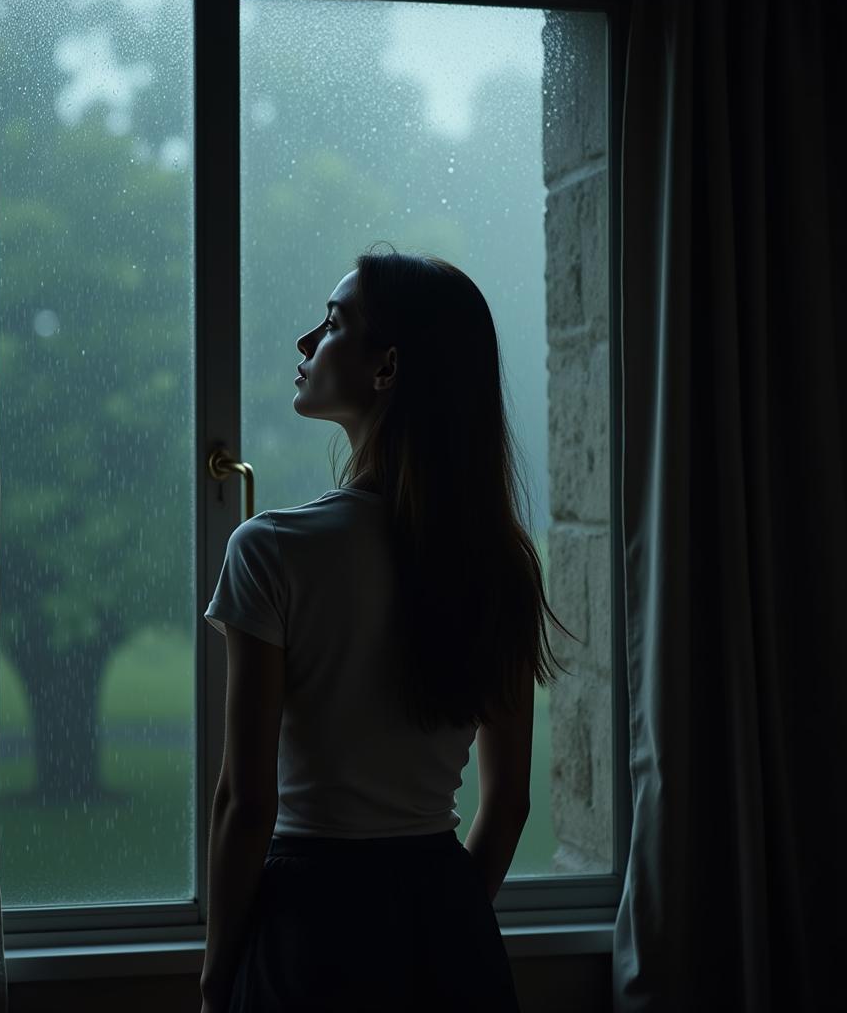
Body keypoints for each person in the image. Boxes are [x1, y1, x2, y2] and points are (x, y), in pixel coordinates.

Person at [199, 243, 576, 1012]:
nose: (307, 343)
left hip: (312, 927)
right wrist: (443, 922)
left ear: (387, 369)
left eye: (333, 324)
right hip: (447, 921)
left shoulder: (272, 550)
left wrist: (215, 979)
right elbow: (506, 805)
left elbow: (247, 799)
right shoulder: (499, 563)